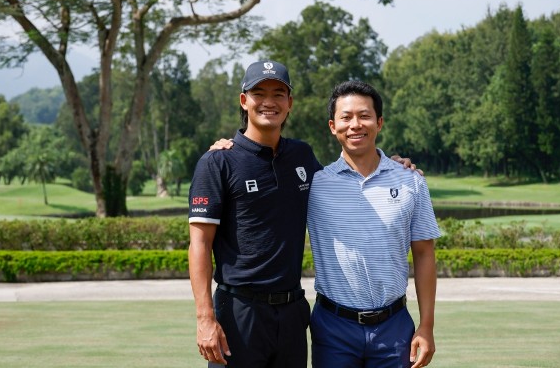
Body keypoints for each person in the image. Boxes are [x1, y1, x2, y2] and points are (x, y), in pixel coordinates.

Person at [188, 60, 321, 368]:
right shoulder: (218, 162)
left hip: (292, 312)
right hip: (239, 311)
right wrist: (205, 318)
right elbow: (199, 244)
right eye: (259, 93)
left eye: (278, 93)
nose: (269, 102)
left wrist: (390, 164)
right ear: (244, 100)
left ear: (290, 103)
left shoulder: (302, 155)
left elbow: (346, 185)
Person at [307, 80, 440, 368]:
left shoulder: (410, 180)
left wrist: (426, 326)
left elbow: (424, 253)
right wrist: (230, 144)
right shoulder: (315, 184)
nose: (355, 124)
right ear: (333, 126)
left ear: (379, 122)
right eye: (346, 117)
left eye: (364, 116)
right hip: (333, 327)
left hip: (393, 328)